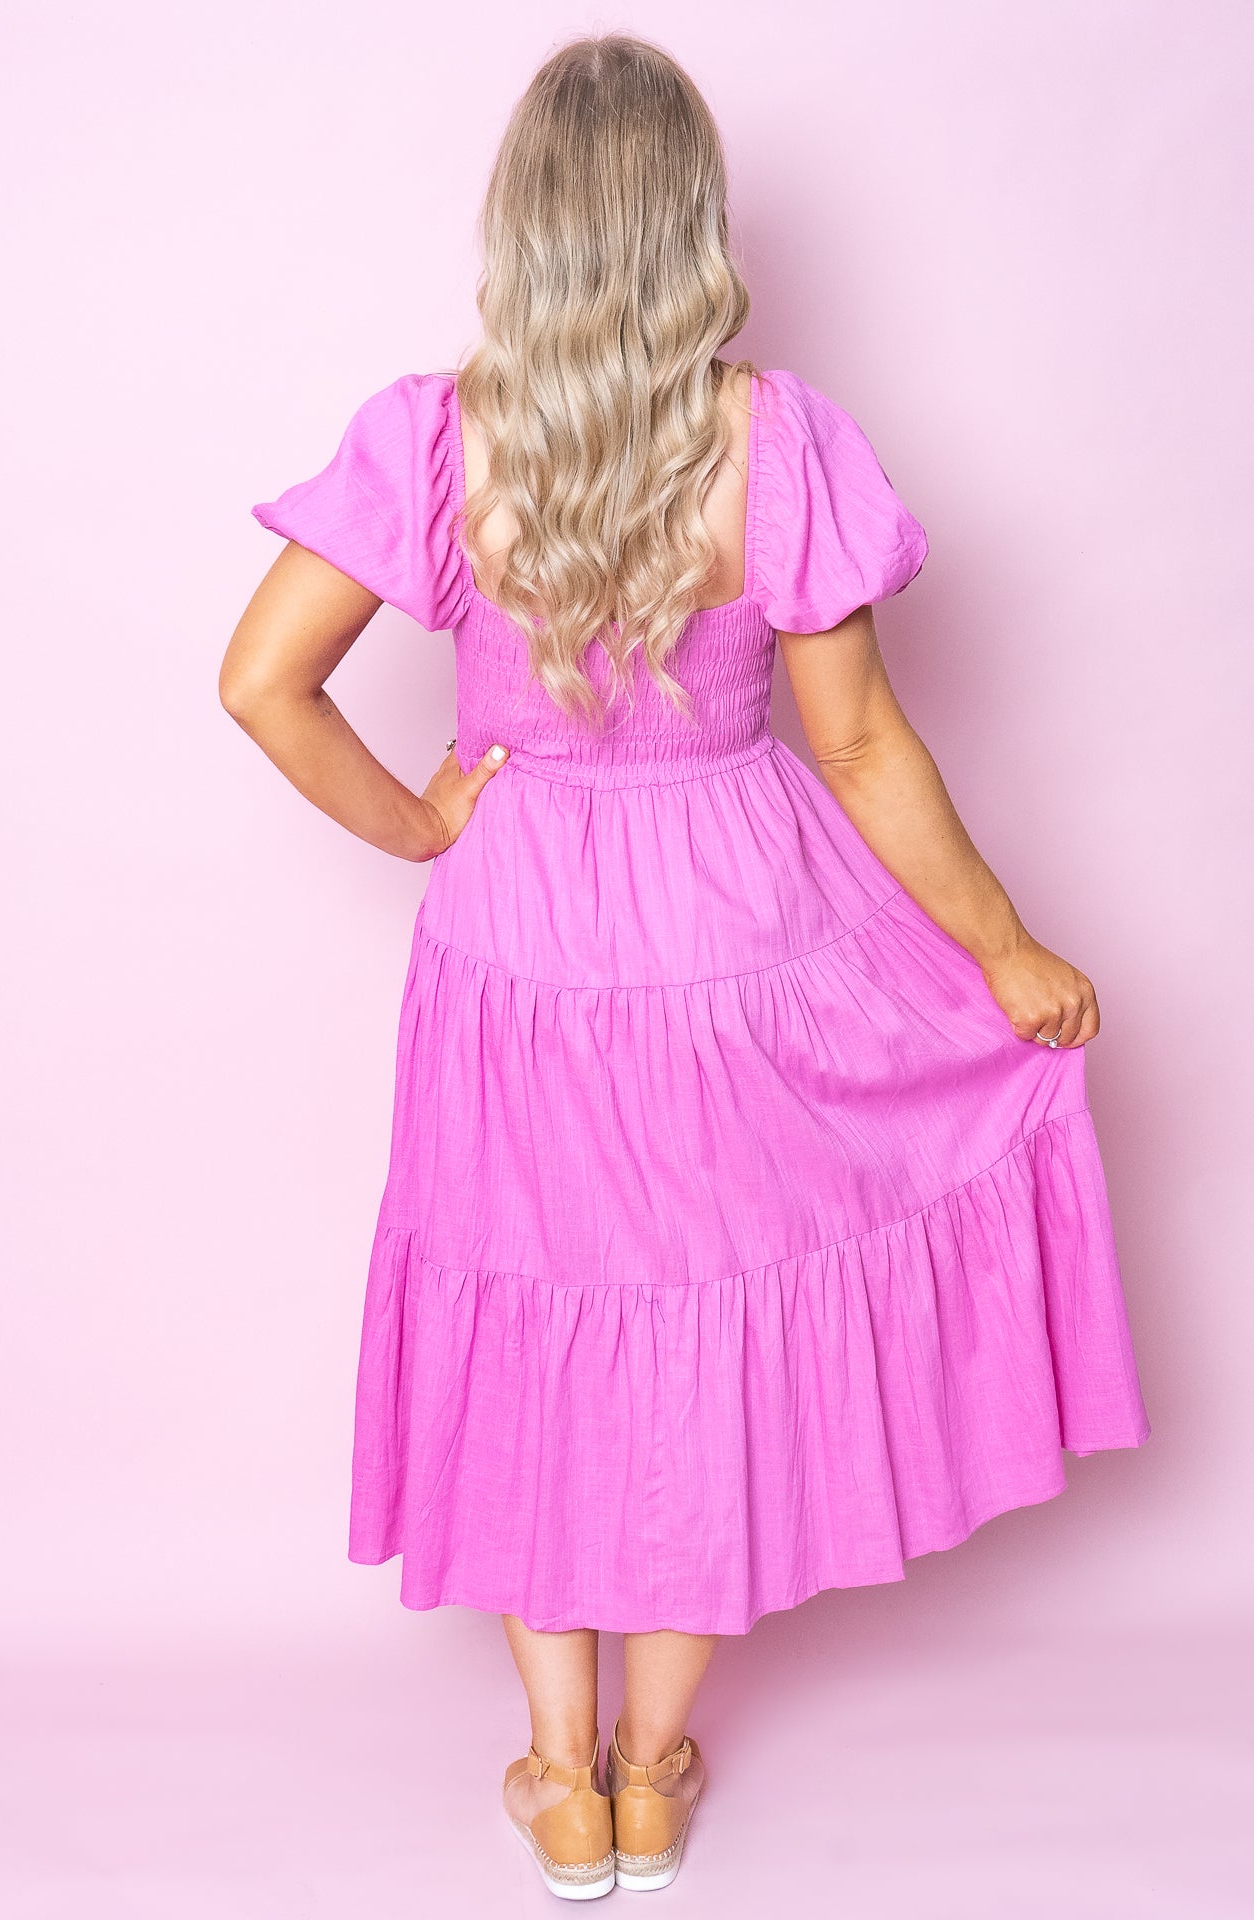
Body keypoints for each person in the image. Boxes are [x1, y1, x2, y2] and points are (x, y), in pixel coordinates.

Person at [220, 31, 1151, 1902]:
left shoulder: (437, 439)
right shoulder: (775, 442)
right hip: (738, 927)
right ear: (694, 230)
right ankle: (655, 1769)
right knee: (703, 1321)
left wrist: (422, 824)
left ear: (523, 226)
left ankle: (557, 1780)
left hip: (517, 936)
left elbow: (261, 683)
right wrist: (1003, 949)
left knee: (531, 1317)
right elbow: (863, 746)